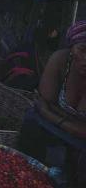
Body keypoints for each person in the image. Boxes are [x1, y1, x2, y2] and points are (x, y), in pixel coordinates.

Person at [19, 22, 86, 184]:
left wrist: (52, 114)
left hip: (67, 129)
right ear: (72, 48)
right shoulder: (61, 60)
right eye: (83, 49)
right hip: (61, 129)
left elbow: (46, 108)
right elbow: (43, 101)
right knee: (32, 120)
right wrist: (73, 124)